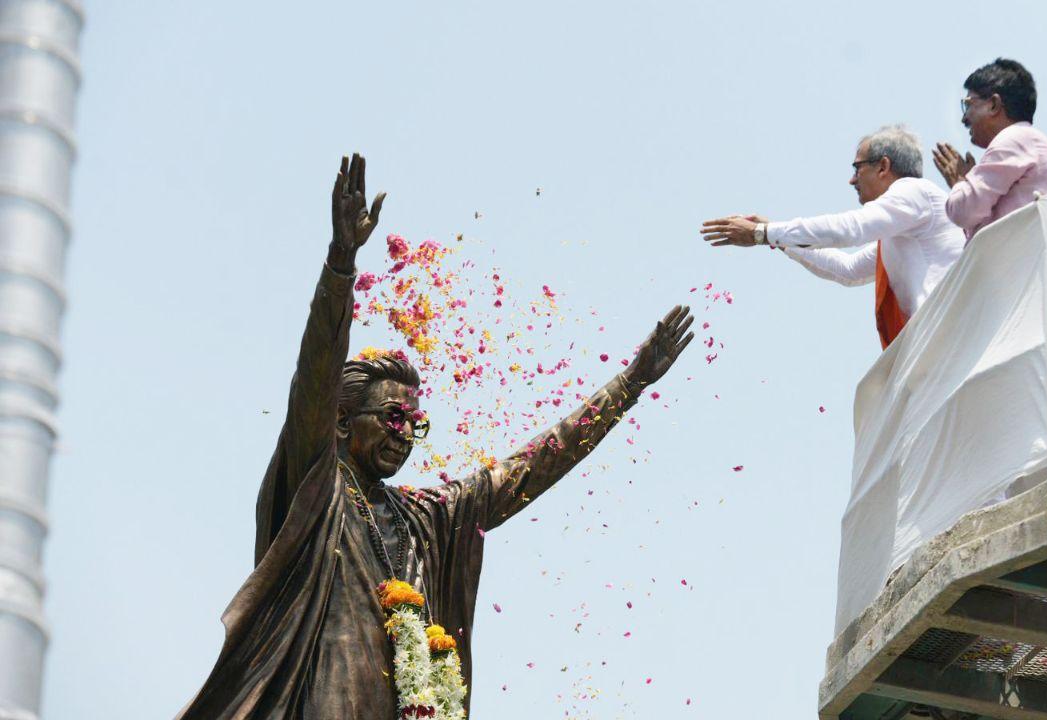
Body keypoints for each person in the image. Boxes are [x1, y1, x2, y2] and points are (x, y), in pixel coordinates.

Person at [178, 154, 695, 718]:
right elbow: (315, 377)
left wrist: (631, 382)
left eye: (415, 424)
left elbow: (532, 465)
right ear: (342, 423)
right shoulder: (316, 485)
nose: (405, 435)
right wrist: (341, 262)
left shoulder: (427, 516)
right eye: (392, 419)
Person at [701, 125, 964, 349]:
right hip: (939, 340)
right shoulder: (902, 225)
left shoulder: (912, 191)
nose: (851, 180)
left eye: (857, 167)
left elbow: (849, 228)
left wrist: (763, 233)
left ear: (883, 166)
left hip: (948, 335)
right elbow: (847, 270)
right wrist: (773, 236)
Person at [933, 58, 1047, 240]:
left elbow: (963, 212)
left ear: (993, 104)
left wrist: (959, 184)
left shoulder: (1014, 138)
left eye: (968, 104)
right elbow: (982, 238)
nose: (964, 118)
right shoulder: (1025, 140)